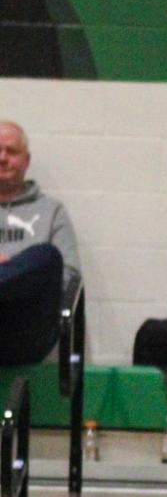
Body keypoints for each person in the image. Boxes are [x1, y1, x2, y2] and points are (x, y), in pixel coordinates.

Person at [0, 119, 79, 366]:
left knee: (47, 256)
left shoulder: (51, 211)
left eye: (11, 152)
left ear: (26, 160)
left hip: (27, 328)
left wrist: (12, 270)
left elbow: (69, 276)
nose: (3, 158)